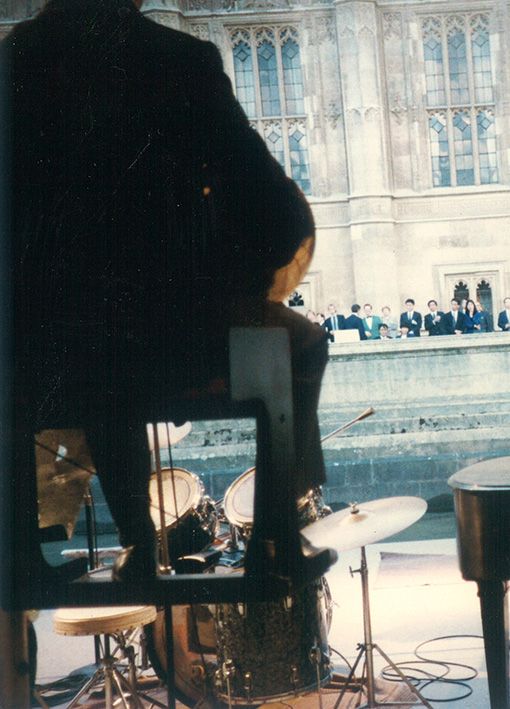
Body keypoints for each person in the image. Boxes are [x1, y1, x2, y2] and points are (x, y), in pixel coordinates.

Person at [6, 0, 328, 580]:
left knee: (96, 367)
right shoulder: (180, 61)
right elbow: (269, 206)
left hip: (35, 361)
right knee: (303, 345)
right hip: (168, 343)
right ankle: (274, 542)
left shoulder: (10, 63)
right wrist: (243, 285)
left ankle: (39, 556)